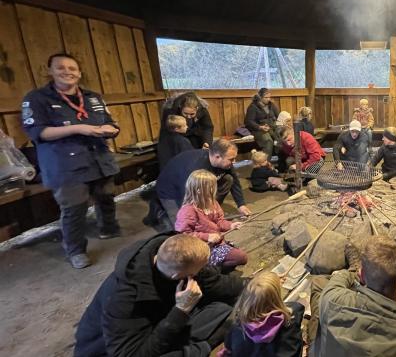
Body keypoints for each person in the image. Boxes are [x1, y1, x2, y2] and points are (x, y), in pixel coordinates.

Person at [21, 53, 121, 269]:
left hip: (99, 158)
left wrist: (111, 130)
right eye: (60, 68)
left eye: (72, 68)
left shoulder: (93, 97)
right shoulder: (37, 99)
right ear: (50, 71)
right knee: (75, 208)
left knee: (106, 196)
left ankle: (108, 228)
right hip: (65, 164)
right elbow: (37, 132)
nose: (67, 72)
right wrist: (79, 128)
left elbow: (111, 122)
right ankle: (75, 250)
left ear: (79, 73)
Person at [75, 233, 249, 357]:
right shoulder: (123, 299)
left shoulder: (174, 251)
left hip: (161, 321)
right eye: (199, 270)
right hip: (117, 349)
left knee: (224, 307)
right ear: (176, 276)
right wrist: (181, 310)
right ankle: (201, 347)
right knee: (227, 325)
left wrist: (252, 284)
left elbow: (214, 283)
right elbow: (134, 353)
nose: (202, 272)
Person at [311, 235, 396, 356]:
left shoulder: (332, 300)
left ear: (361, 275)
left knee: (318, 284)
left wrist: (353, 271)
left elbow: (337, 281)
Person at [147, 138, 252, 232]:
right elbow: (186, 198)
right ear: (217, 157)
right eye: (231, 159)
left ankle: (210, 210)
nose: (234, 161)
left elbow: (235, 181)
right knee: (181, 227)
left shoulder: (224, 163)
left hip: (192, 185)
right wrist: (203, 222)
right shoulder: (194, 168)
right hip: (171, 191)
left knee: (228, 179)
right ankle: (159, 211)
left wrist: (241, 204)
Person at [219, 271, 304, 357]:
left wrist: (272, 284)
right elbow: (292, 352)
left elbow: (229, 348)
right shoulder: (288, 324)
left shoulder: (236, 325)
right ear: (276, 299)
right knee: (296, 307)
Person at [175, 170, 249, 268]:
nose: (215, 189)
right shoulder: (188, 210)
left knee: (238, 255)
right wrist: (207, 237)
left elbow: (219, 221)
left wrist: (231, 225)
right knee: (241, 257)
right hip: (202, 249)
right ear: (199, 190)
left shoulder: (213, 203)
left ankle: (214, 264)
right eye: (211, 186)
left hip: (217, 243)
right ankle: (207, 266)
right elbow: (183, 235)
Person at [245, 88, 280, 155]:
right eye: (266, 97)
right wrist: (260, 127)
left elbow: (278, 116)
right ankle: (264, 163)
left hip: (272, 127)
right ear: (260, 97)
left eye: (269, 97)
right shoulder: (253, 107)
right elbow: (248, 121)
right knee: (268, 141)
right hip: (258, 130)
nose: (268, 99)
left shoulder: (271, 105)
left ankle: (281, 162)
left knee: (281, 139)